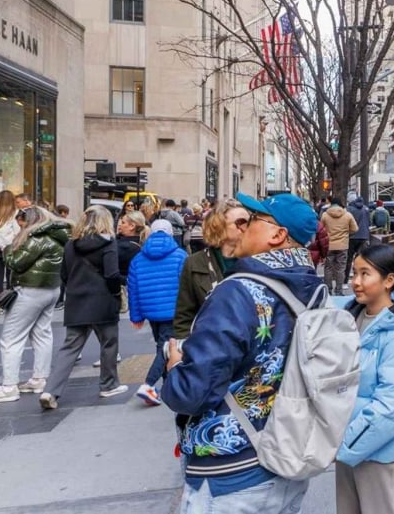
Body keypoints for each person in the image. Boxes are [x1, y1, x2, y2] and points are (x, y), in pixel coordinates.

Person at [161, 193, 324, 513]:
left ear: (277, 235)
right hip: (286, 452)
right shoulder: (312, 288)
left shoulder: (237, 292)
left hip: (231, 471)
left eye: (253, 220)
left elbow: (192, 392)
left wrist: (174, 366)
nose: (243, 226)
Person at [334, 242, 394, 514]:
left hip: (377, 450)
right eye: (354, 273)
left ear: (389, 280)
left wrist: (344, 446)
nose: (355, 282)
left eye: (365, 274)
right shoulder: (350, 315)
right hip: (347, 440)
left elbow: (393, 407)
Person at [0, 205, 70, 403]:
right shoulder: (57, 237)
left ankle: (9, 386)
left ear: (29, 221)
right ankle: (39, 378)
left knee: (11, 338)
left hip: (30, 290)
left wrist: (6, 249)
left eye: (20, 222)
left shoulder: (36, 239)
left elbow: (16, 263)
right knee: (42, 333)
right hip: (51, 289)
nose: (19, 227)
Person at [40, 206, 126, 409]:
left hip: (76, 301)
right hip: (102, 300)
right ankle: (108, 384)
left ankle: (50, 390)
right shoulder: (108, 243)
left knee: (69, 348)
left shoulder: (71, 245)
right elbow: (112, 274)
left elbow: (64, 274)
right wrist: (119, 289)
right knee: (109, 344)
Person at [128, 217, 187, 406]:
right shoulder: (180, 255)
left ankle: (166, 386)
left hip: (151, 311)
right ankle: (149, 385)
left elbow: (133, 288)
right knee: (166, 348)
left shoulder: (138, 259)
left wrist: (136, 315)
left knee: (161, 346)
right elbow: (186, 287)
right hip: (173, 309)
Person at [173, 199, 248, 340]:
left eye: (249, 222)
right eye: (240, 222)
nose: (246, 227)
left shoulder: (256, 261)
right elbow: (184, 316)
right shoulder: (194, 263)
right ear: (219, 227)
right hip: (208, 346)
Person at [321, 196, 357, 294]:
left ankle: (328, 290)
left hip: (329, 246)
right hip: (343, 246)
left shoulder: (325, 215)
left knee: (328, 268)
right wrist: (346, 233)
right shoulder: (348, 215)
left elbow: (321, 229)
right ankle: (339, 290)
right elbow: (355, 229)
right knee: (341, 268)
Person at [346, 195, 371, 273]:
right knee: (362, 257)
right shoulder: (366, 209)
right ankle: (359, 275)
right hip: (364, 236)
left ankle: (345, 279)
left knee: (348, 258)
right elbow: (369, 222)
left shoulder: (349, 209)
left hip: (352, 236)